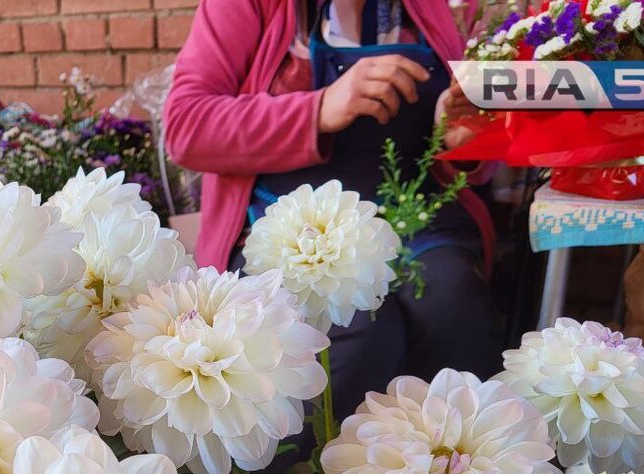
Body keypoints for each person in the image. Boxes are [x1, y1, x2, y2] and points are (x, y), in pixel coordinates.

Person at [165, 0, 505, 428]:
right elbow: (186, 127)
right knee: (359, 335)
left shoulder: (434, 8)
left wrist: (458, 139)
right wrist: (319, 109)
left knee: (453, 305)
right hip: (290, 229)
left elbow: (468, 144)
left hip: (416, 222)